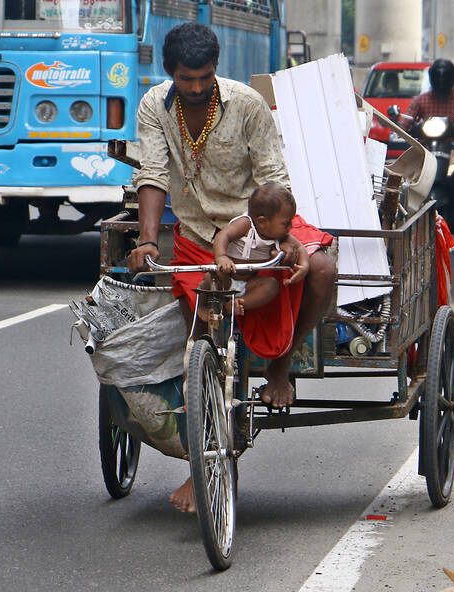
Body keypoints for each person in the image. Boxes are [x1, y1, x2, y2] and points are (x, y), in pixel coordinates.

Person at [127, 22, 335, 513]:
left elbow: (275, 180)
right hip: (199, 235)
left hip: (258, 225)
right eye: (186, 79)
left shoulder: (246, 104)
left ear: (216, 70)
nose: (196, 88)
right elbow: (153, 174)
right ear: (169, 73)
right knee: (199, 347)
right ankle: (206, 470)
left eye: (204, 77)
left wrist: (281, 242)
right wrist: (148, 240)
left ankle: (281, 367)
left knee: (321, 269)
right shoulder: (154, 107)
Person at [201, 182, 309, 317]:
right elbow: (223, 235)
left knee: (271, 286)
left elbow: (300, 247)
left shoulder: (280, 235)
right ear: (262, 222)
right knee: (211, 275)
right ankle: (201, 307)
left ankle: (236, 304)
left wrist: (304, 266)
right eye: (286, 223)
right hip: (227, 276)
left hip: (249, 283)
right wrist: (222, 257)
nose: (290, 227)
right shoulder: (246, 224)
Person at [400, 58, 454, 230]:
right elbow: (406, 119)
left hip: (453, 145)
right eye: (438, 77)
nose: (442, 81)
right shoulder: (422, 100)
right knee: (407, 174)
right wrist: (402, 126)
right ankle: (407, 208)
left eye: (445, 78)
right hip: (426, 146)